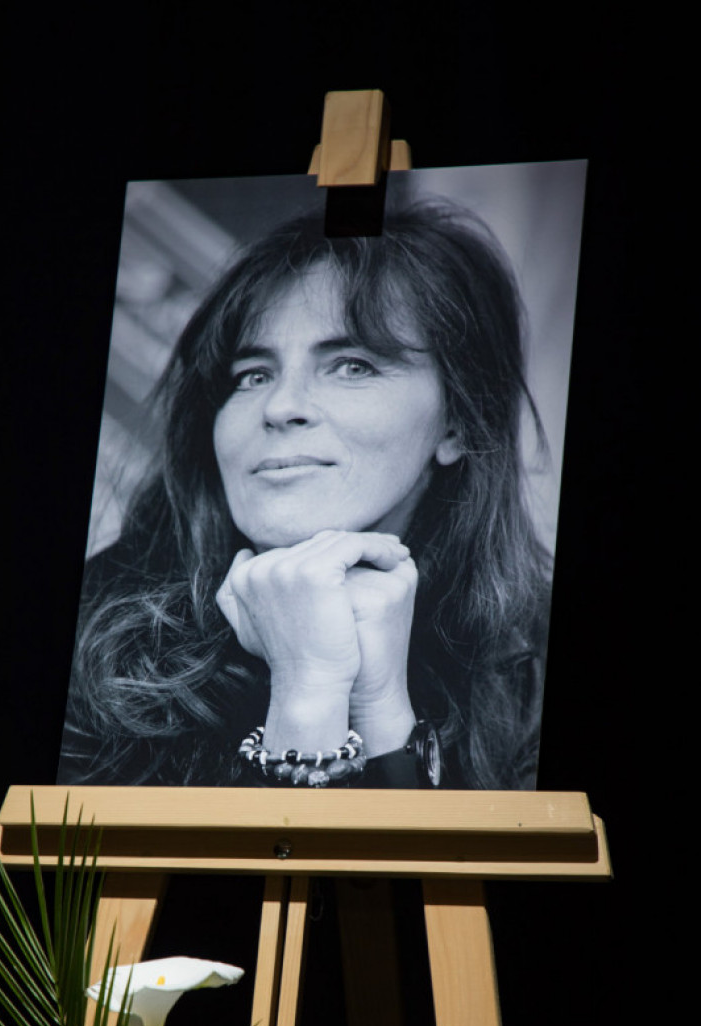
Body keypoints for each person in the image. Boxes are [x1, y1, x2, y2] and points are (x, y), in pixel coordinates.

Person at [58, 198, 552, 789]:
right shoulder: (92, 636)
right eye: (252, 375)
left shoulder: (531, 654)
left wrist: (380, 710)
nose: (280, 406)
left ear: (459, 423)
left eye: (352, 366)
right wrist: (308, 689)